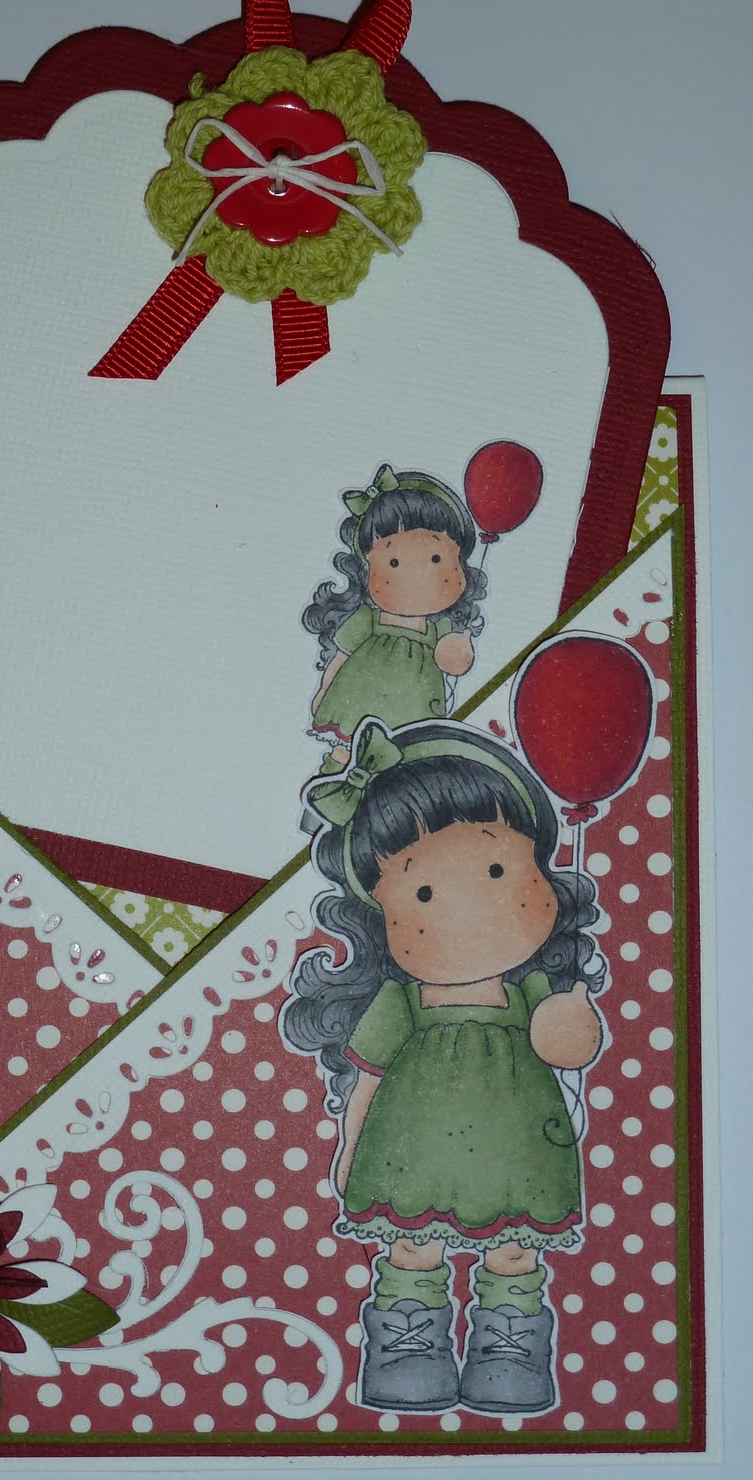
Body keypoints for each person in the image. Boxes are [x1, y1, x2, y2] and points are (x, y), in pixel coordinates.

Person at [281, 719, 606, 1415]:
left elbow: (566, 1047)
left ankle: (510, 1350)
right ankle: (407, 1348)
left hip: (518, 1150)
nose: (469, 907)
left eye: (497, 871)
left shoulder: (532, 990)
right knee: (412, 1250)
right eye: (424, 895)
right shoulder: (400, 1001)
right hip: (412, 1152)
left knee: (515, 1253)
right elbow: (367, 1076)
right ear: (383, 918)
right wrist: (350, 1146)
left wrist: (572, 1020)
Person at [304, 465, 485, 770]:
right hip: (359, 706)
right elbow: (340, 657)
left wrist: (461, 645)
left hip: (413, 713)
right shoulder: (367, 620)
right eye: (395, 562)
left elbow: (453, 663)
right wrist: (323, 691)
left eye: (436, 558)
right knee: (346, 755)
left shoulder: (440, 628)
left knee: (405, 765)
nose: (416, 576)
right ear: (367, 568)